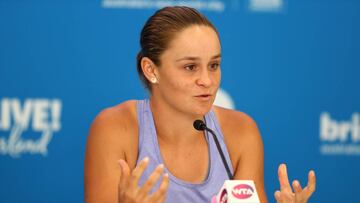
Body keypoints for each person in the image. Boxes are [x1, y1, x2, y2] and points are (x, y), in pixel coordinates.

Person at [84, 6, 316, 203]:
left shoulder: (242, 132)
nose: (207, 81)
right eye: (190, 67)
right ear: (151, 70)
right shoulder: (115, 128)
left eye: (214, 65)